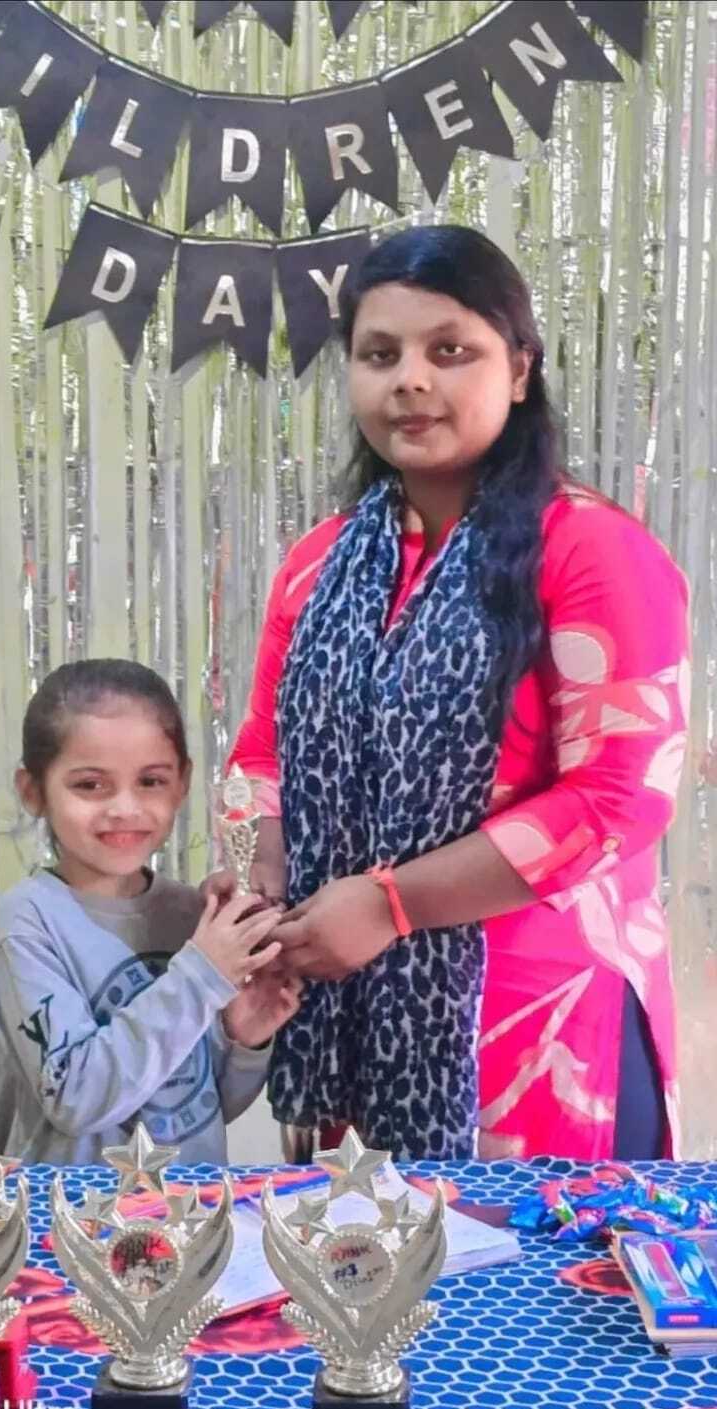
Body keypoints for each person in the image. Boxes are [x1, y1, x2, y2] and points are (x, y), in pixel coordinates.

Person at [216, 224, 689, 1164]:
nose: (410, 381)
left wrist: (388, 905)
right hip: (343, 1005)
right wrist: (260, 885)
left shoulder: (591, 550)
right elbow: (262, 755)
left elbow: (617, 800)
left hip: (537, 1026)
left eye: (449, 351)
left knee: (538, 1264)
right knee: (364, 1258)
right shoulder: (319, 565)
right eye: (379, 354)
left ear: (518, 370)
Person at [0, 659, 301, 1165]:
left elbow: (193, 1110)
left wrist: (241, 1039)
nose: (125, 808)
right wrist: (202, 976)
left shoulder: (191, 915)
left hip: (187, 1207)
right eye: (90, 785)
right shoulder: (29, 922)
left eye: (150, 781)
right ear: (33, 791)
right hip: (73, 1210)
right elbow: (76, 1099)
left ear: (182, 782)